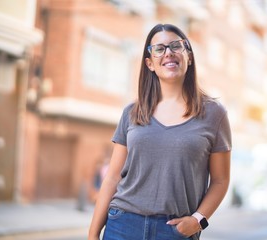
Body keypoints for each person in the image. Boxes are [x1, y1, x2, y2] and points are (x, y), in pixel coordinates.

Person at [88, 23, 231, 240]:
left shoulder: (214, 114)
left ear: (189, 57)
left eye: (176, 46)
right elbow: (112, 177)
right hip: (123, 225)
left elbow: (220, 180)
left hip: (175, 231)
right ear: (150, 63)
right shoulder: (132, 112)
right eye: (159, 49)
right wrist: (92, 233)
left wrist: (198, 220)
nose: (169, 53)